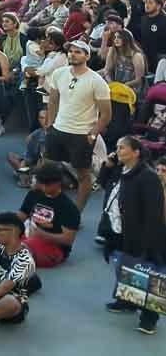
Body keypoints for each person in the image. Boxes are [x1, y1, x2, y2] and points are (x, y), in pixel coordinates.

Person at [102, 135, 165, 335]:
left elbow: (152, 213)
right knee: (125, 267)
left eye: (122, 148)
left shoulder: (148, 177)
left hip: (143, 236)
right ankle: (127, 301)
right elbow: (105, 186)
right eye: (117, 147)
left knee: (149, 274)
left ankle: (149, 318)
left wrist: (148, 244)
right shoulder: (122, 171)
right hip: (123, 231)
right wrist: (108, 165)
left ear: (136, 152)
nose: (118, 151)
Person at [43, 39, 111, 210]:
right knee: (47, 171)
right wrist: (50, 125)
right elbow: (53, 100)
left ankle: (76, 212)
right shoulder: (59, 73)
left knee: (83, 176)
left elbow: (107, 114)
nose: (72, 54)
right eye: (71, 51)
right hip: (58, 130)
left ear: (87, 56)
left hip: (81, 135)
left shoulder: (97, 81)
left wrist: (93, 134)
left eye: (78, 52)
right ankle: (49, 207)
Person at [16, 161, 80, 269]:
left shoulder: (68, 207)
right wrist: (7, 226)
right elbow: (21, 215)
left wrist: (41, 234)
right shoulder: (34, 194)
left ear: (58, 183)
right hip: (29, 236)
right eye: (42, 183)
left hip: (54, 248)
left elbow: (68, 240)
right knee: (2, 237)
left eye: (48, 184)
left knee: (18, 249)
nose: (44, 187)